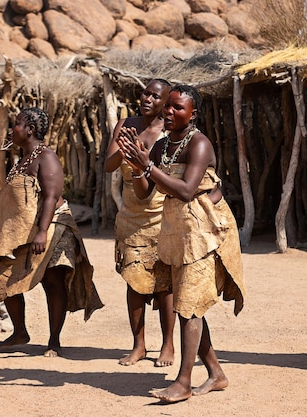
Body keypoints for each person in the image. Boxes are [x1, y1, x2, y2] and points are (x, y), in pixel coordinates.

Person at [118, 84, 246, 403]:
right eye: (169, 107)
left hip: (202, 231)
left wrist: (147, 166)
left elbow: (188, 190)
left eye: (178, 108)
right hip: (174, 230)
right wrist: (138, 169)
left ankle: (184, 381)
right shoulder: (162, 146)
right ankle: (216, 373)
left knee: (188, 306)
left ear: (193, 114)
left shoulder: (199, 144)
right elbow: (147, 193)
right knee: (190, 305)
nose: (170, 112)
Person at [0, 107, 103, 357]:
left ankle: (54, 341)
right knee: (5, 279)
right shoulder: (22, 159)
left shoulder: (46, 157)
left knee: (52, 282)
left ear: (30, 130)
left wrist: (42, 232)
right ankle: (20, 332)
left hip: (52, 229)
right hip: (24, 232)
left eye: (17, 124)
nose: (12, 128)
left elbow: (51, 197)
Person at [104, 79, 176, 367]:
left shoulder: (169, 131)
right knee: (133, 282)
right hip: (131, 216)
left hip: (161, 214)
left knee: (164, 284)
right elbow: (109, 165)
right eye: (145, 92)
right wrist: (126, 149)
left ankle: (168, 345)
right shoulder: (125, 124)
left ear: (165, 102)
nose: (147, 98)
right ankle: (139, 345)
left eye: (155, 96)